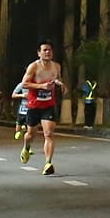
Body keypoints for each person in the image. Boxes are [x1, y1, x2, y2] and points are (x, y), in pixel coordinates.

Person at [13, 42, 65, 175]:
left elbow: (57, 78)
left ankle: (48, 163)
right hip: (34, 105)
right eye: (45, 50)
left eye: (50, 50)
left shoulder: (56, 66)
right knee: (30, 134)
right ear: (39, 53)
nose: (48, 52)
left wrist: (60, 84)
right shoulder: (34, 67)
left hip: (48, 105)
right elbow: (24, 84)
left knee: (49, 134)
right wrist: (41, 86)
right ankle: (26, 147)